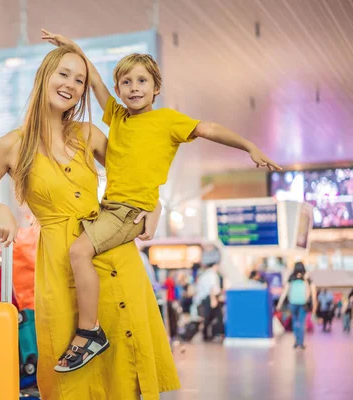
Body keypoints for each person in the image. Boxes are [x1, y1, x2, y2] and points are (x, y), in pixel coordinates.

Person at [40, 29, 281, 370]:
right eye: (125, 82)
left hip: (128, 212)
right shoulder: (118, 117)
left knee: (79, 251)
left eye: (141, 81)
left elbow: (207, 128)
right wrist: (73, 48)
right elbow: (93, 81)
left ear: (156, 88)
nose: (133, 88)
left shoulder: (167, 121)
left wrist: (249, 146)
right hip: (110, 206)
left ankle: (90, 331)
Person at [0, 45, 179, 399]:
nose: (71, 85)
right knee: (69, 375)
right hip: (60, 264)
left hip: (112, 253)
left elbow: (138, 178)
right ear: (44, 76)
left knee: (124, 369)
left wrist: (153, 213)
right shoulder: (11, 145)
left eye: (80, 80)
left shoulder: (86, 134)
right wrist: (0, 211)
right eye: (64, 74)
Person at [277, 262, 317, 349]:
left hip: (293, 302)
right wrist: (314, 303)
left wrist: (279, 303)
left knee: (295, 322)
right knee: (302, 322)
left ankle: (296, 341)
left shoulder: (291, 278)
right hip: (303, 303)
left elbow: (285, 291)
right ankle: (301, 342)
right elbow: (312, 290)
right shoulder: (306, 278)